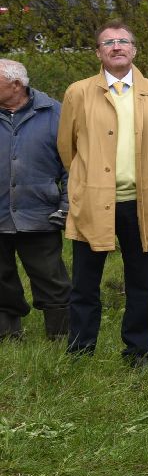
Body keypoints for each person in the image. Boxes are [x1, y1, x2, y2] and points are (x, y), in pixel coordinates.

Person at [58, 23, 148, 364]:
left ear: (135, 50)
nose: (117, 46)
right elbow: (67, 149)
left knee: (140, 282)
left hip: (140, 202)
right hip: (93, 201)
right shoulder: (78, 93)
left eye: (123, 41)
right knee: (84, 283)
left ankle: (138, 350)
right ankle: (80, 350)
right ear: (98, 53)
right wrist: (87, 181)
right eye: (108, 42)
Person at [0, 58, 71, 341]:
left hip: (41, 214)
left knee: (51, 279)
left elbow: (72, 166)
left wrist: (66, 206)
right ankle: (7, 335)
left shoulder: (56, 113)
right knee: (0, 279)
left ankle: (62, 337)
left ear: (16, 84)